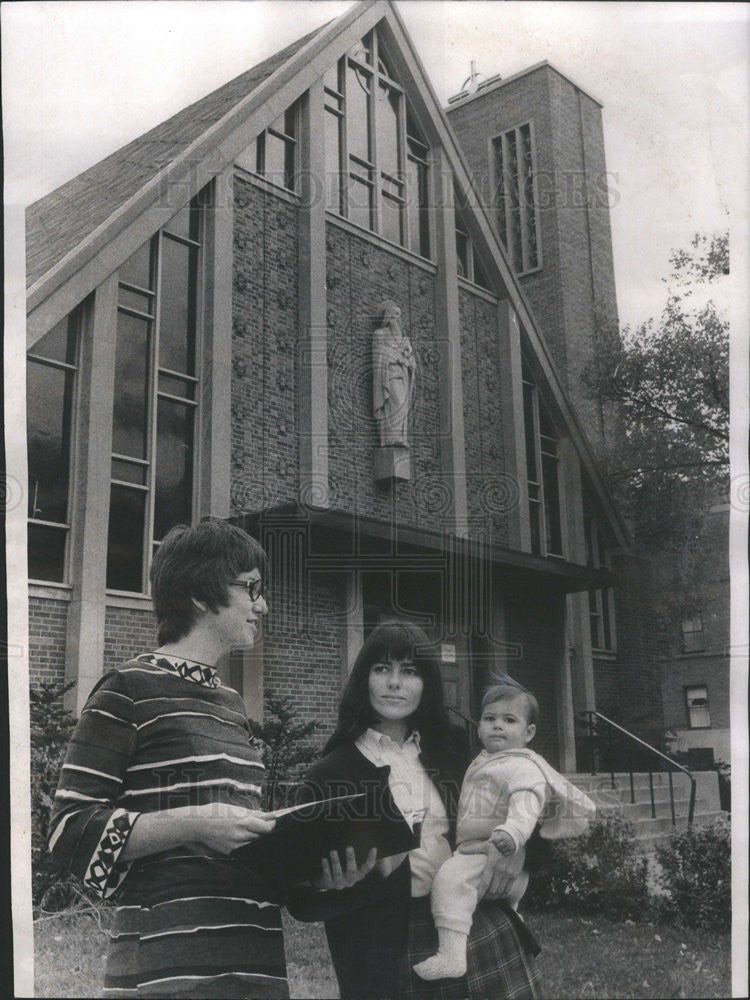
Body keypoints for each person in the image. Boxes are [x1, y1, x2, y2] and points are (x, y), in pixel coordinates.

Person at [47, 519, 289, 999]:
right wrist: (196, 822)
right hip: (166, 964)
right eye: (252, 587)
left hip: (251, 955)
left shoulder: (230, 702)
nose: (262, 604)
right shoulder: (128, 689)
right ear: (201, 595)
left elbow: (239, 840)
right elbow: (67, 831)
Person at [286, 623, 543, 1000]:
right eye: (381, 669)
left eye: (409, 671)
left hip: (480, 928)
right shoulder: (330, 773)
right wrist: (329, 884)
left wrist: (520, 850)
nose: (394, 683)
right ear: (364, 679)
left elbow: (535, 798)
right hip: (388, 952)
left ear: (427, 683)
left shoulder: (455, 750)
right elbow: (299, 896)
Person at [414, 679, 595, 981]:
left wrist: (513, 836)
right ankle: (514, 916)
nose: (497, 726)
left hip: (491, 850)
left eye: (509, 720)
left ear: (529, 733)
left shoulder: (521, 766)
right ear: (479, 724)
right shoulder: (488, 759)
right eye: (490, 718)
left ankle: (451, 954)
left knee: (449, 882)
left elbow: (527, 803)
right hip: (481, 853)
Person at [372, 300, 416, 448]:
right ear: (389, 316)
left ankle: (399, 437)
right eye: (396, 315)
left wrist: (408, 357)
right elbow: (378, 354)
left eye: (400, 315)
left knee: (402, 407)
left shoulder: (403, 339)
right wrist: (396, 354)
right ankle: (391, 437)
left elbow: (410, 362)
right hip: (389, 378)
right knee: (395, 404)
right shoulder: (380, 334)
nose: (398, 318)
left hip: (402, 377)